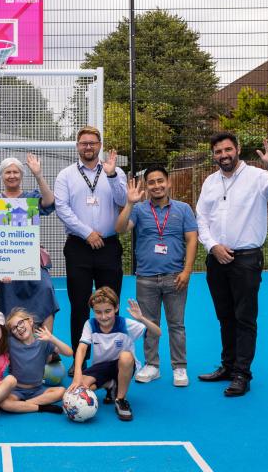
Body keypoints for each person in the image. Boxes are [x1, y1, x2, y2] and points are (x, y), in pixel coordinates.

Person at [196, 134, 268, 397]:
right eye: (218, 151)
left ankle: (242, 373)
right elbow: (201, 219)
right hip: (216, 259)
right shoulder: (209, 182)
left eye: (228, 149)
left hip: (246, 260)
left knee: (245, 318)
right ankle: (228, 367)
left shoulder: (259, 177)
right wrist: (212, 246)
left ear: (237, 149)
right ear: (213, 154)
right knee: (224, 316)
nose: (223, 154)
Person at [114, 166, 198, 387]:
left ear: (168, 183)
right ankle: (152, 365)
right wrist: (130, 202)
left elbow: (191, 239)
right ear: (147, 186)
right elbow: (120, 228)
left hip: (175, 277)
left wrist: (187, 270)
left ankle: (179, 367)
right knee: (148, 323)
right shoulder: (139, 210)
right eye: (151, 182)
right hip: (146, 277)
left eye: (160, 181)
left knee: (177, 324)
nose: (156, 185)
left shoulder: (183, 209)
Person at [54, 126, 127, 374]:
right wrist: (87, 233)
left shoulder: (114, 172)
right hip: (79, 247)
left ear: (100, 145)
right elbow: (62, 208)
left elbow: (123, 201)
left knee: (110, 304)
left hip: (109, 246)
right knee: (79, 305)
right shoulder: (65, 175)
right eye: (84, 143)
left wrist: (113, 175)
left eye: (93, 143)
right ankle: (79, 361)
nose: (88, 147)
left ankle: (112, 359)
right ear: (77, 146)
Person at [68, 286, 161, 422]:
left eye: (108, 311)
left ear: (116, 308)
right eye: (98, 312)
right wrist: (77, 376)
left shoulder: (125, 324)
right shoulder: (90, 324)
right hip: (101, 366)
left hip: (123, 366)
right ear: (93, 311)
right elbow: (81, 348)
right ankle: (110, 384)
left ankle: (120, 399)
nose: (103, 316)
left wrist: (142, 319)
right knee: (80, 389)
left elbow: (158, 333)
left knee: (126, 356)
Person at [0, 155, 60, 332]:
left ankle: (46, 343)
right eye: (8, 172)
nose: (12, 175)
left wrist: (38, 175)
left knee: (46, 288)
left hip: (30, 259)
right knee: (7, 295)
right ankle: (11, 345)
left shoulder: (31, 197)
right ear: (2, 175)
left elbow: (49, 202)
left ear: (22, 175)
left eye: (16, 171)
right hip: (4, 261)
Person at [0, 308, 73, 415]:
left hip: (38, 390)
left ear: (30, 321)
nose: (18, 328)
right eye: (14, 328)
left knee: (61, 391)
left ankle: (24, 405)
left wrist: (52, 338)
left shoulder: (43, 341)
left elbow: (69, 352)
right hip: (17, 390)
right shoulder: (11, 343)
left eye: (20, 322)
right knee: (4, 403)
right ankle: (41, 407)